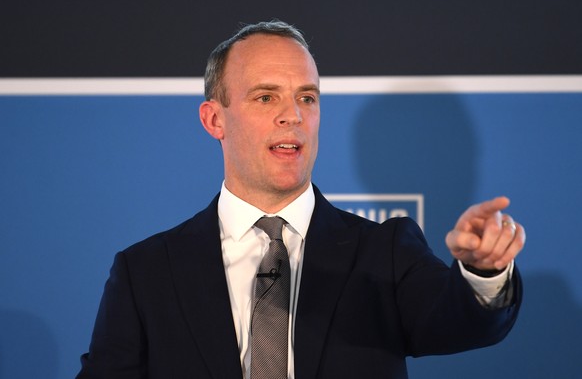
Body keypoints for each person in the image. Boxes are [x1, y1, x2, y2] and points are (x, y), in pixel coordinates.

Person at [77, 20, 525, 379]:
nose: (292, 115)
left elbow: (457, 320)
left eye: (306, 98)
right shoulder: (146, 273)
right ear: (215, 119)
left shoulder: (384, 251)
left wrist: (482, 272)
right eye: (266, 96)